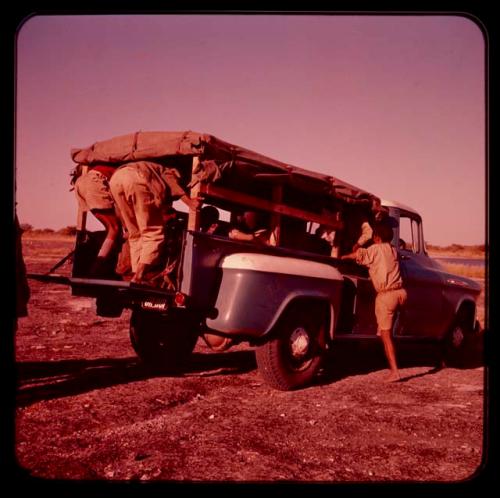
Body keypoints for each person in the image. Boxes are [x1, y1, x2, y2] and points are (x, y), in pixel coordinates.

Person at [109, 160, 198, 284]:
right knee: (153, 233)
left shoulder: (149, 167)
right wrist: (191, 203)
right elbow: (175, 188)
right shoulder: (169, 171)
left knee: (135, 233)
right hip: (135, 179)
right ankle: (139, 276)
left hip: (116, 179)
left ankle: (135, 274)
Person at [341, 221, 407, 382]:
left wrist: (343, 256)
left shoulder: (375, 249)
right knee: (388, 332)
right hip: (401, 293)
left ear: (376, 237)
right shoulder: (393, 250)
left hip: (386, 296)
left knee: (385, 335)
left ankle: (394, 372)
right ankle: (390, 361)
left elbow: (359, 255)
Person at [72, 163, 123, 276]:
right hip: (94, 182)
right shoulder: (125, 167)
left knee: (113, 228)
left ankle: (104, 265)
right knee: (114, 228)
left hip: (82, 183)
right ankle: (98, 267)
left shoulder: (101, 161)